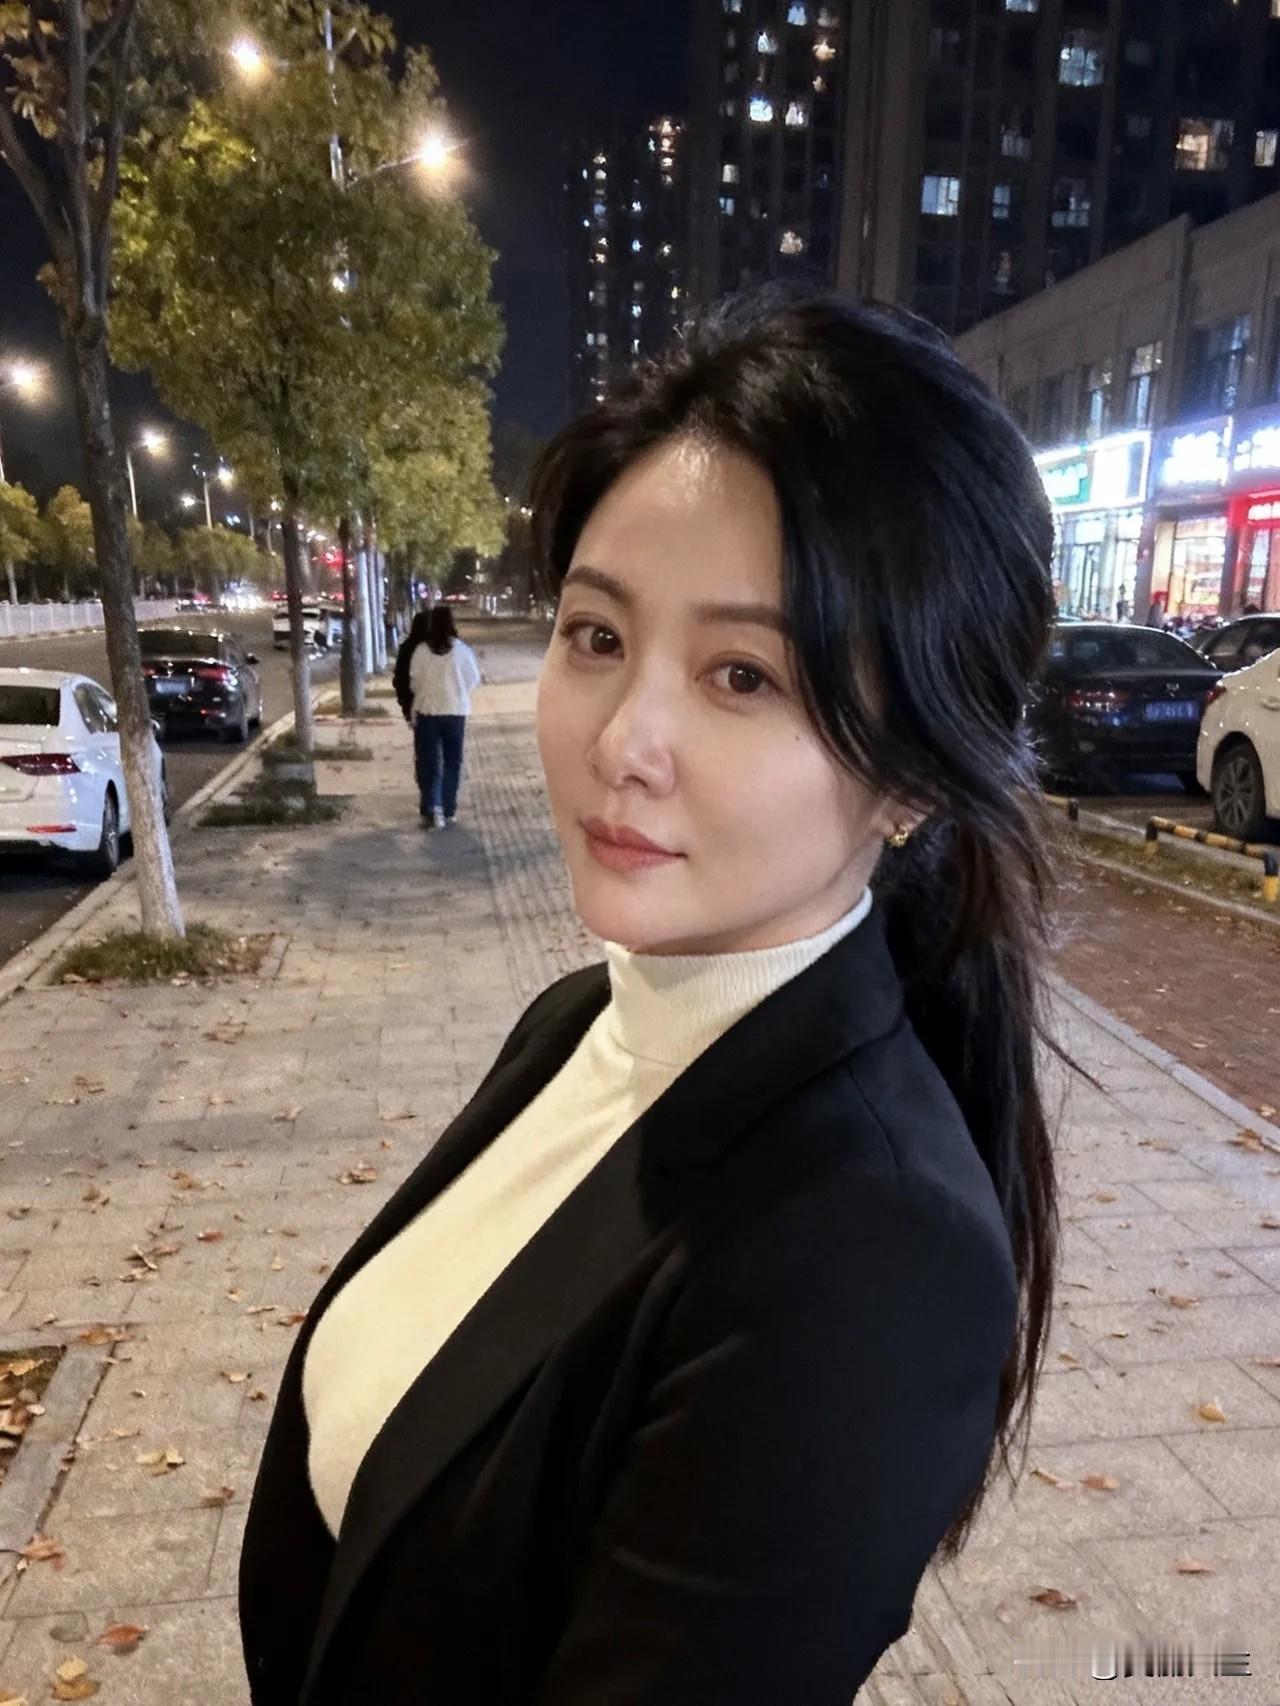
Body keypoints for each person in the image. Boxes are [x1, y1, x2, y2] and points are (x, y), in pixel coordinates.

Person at [239, 290, 1062, 1705]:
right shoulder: (580, 1020)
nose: (624, 740)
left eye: (743, 673)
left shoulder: (868, 1261)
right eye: (597, 636)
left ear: (915, 776)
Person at [398, 605, 483, 827]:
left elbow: (414, 681)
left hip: (428, 712)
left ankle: (431, 807)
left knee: (429, 762)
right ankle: (448, 808)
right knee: (452, 762)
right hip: (455, 712)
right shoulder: (462, 650)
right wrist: (458, 691)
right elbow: (473, 678)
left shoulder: (421, 651)